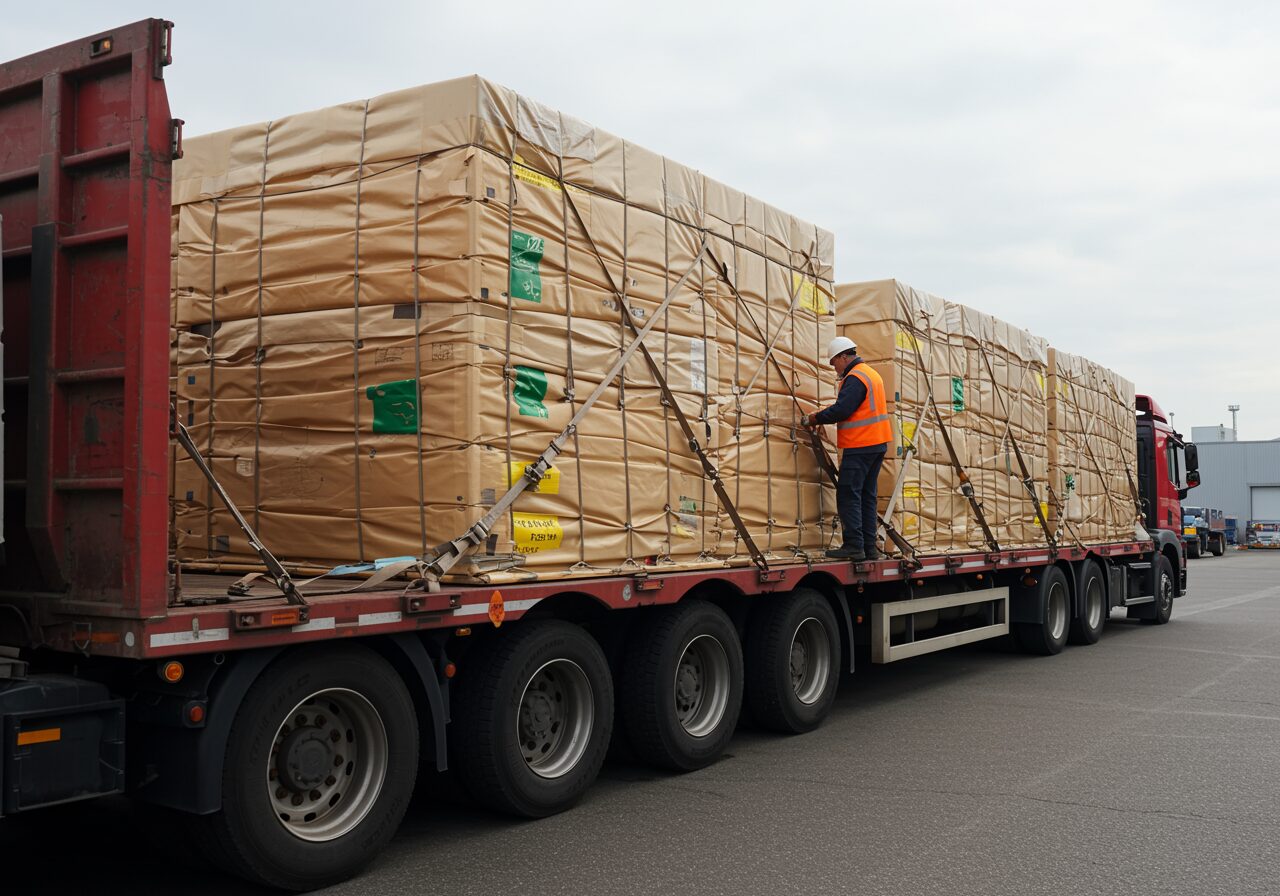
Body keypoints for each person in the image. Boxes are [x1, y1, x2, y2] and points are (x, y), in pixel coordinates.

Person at [801, 336, 892, 561]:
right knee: (866, 496)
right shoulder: (871, 374)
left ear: (843, 357)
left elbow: (842, 410)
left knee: (848, 494)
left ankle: (853, 546)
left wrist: (814, 418)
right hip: (877, 443)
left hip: (861, 444)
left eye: (834, 363)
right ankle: (869, 548)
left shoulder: (855, 377)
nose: (835, 368)